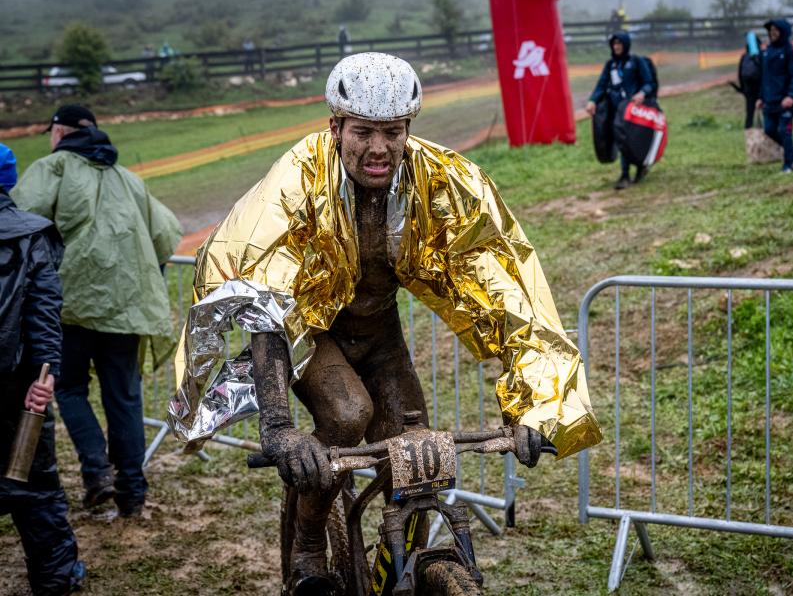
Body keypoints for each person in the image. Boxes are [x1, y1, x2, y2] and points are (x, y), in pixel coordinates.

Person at [170, 53, 601, 592]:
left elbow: (509, 290)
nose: (379, 148)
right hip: (311, 334)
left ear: (408, 130)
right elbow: (265, 310)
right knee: (349, 416)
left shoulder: (442, 180)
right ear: (335, 127)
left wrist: (544, 405)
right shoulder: (296, 183)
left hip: (380, 335)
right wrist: (279, 430)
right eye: (363, 132)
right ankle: (308, 542)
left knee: (417, 451)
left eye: (393, 133)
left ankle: (404, 558)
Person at [12, 105, 183, 518]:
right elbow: (166, 235)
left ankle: (96, 473)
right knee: (124, 397)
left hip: (69, 308)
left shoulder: (51, 169)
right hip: (125, 310)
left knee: (68, 389)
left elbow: (19, 225)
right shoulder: (128, 179)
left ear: (61, 132)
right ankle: (132, 490)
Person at [0, 143, 86, 595]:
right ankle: (54, 577)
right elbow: (44, 311)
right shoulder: (33, 235)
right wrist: (45, 376)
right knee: (34, 484)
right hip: (21, 387)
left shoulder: (31, 234)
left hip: (19, 385)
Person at [585, 31, 655, 189]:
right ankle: (625, 174)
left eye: (619, 43)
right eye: (614, 44)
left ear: (626, 45)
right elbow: (601, 85)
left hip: (633, 111)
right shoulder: (611, 65)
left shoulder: (636, 62)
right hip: (616, 110)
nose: (617, 47)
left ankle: (640, 167)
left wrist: (641, 93)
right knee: (620, 140)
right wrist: (592, 100)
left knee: (633, 141)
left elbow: (648, 82)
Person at [757, 19, 793, 173]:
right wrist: (760, 97)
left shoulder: (791, 50)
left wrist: (791, 95)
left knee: (785, 132)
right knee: (770, 130)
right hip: (769, 101)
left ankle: (789, 164)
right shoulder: (767, 51)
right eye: (771, 30)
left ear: (784, 32)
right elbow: (764, 76)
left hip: (785, 101)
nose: (772, 33)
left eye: (776, 30)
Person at [732, 32, 763, 129]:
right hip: (760, 88)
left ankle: (748, 129)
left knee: (750, 111)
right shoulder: (762, 55)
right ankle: (765, 130)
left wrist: (742, 88)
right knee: (764, 111)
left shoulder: (744, 56)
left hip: (748, 88)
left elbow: (740, 74)